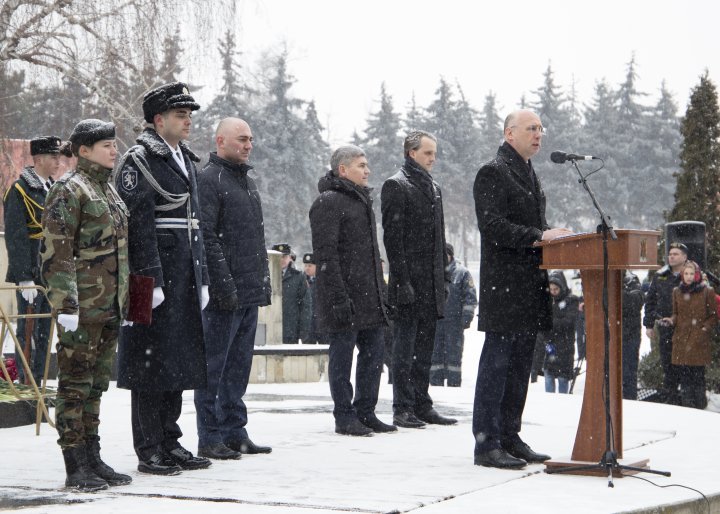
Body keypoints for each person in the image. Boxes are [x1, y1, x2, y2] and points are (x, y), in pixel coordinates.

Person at [116, 82, 211, 475]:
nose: (187, 121)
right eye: (179, 115)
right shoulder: (138, 160)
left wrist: (200, 274)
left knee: (178, 361)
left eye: (189, 115)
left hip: (183, 274)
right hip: (149, 278)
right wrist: (149, 281)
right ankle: (149, 447)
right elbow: (138, 226)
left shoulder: (184, 158)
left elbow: (195, 224)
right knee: (148, 364)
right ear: (158, 120)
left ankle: (170, 440)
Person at [472, 109, 572, 469]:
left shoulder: (530, 172)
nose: (538, 134)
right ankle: (486, 443)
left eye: (541, 128)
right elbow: (493, 226)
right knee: (497, 368)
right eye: (531, 128)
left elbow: (535, 227)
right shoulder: (492, 172)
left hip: (530, 286)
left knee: (519, 370)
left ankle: (510, 436)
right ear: (508, 133)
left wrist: (552, 236)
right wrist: (538, 236)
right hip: (505, 288)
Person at [40, 119, 131, 490]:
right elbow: (56, 253)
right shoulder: (68, 190)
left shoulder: (106, 191)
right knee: (74, 385)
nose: (114, 150)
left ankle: (93, 456)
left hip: (109, 305)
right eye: (106, 145)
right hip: (80, 308)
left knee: (95, 386)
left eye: (114, 144)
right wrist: (65, 304)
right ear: (83, 151)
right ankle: (74, 463)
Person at [194, 117, 272, 460]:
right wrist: (222, 283)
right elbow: (207, 237)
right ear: (221, 140)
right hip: (225, 294)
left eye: (251, 139)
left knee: (238, 366)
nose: (248, 144)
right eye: (242, 139)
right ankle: (209, 435)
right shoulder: (210, 180)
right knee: (214, 367)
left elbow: (252, 238)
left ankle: (234, 431)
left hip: (248, 290)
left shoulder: (246, 182)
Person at [309, 145, 394, 436]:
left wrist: (381, 294)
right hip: (344, 297)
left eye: (367, 164)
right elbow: (326, 256)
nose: (367, 170)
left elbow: (370, 255)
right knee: (342, 356)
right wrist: (338, 298)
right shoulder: (328, 202)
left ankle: (365, 411)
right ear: (342, 170)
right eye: (361, 165)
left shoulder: (362, 202)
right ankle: (344, 415)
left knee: (374, 353)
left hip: (369, 296)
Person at [381, 130, 456, 429]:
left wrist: (445, 279)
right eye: (427, 153)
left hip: (431, 282)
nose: (433, 158)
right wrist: (402, 280)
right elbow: (393, 239)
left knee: (425, 347)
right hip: (408, 282)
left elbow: (440, 239)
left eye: (434, 153)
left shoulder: (434, 187)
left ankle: (422, 403)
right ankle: (402, 406)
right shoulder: (396, 185)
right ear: (411, 153)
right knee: (404, 347)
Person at [4, 136, 60, 385]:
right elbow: (16, 236)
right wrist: (24, 276)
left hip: (50, 273)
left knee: (45, 331)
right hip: (32, 273)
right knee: (27, 331)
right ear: (38, 159)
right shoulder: (20, 190)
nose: (58, 161)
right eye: (53, 157)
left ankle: (40, 380)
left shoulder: (53, 188)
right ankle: (28, 383)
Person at [662, 261, 716, 409]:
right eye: (686, 274)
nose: (689, 277)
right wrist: (671, 320)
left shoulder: (706, 291)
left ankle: (699, 406)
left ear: (697, 275)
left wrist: (704, 328)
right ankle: (687, 407)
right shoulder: (677, 292)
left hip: (698, 340)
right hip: (681, 340)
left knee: (698, 376)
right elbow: (676, 314)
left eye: (692, 274)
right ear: (682, 275)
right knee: (684, 378)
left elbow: (713, 315)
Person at [643, 242, 688, 405]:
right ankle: (671, 398)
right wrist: (648, 325)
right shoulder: (661, 275)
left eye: (676, 254)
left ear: (684, 257)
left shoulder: (691, 274)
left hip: (685, 327)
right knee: (667, 363)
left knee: (685, 363)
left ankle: (686, 398)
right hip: (665, 325)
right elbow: (650, 300)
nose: (671, 256)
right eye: (670, 254)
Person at [429, 243, 477, 387]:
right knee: (435, 354)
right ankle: (435, 384)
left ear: (451, 255)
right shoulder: (434, 272)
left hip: (454, 323)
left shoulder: (462, 273)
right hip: (436, 322)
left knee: (454, 355)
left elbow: (470, 297)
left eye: (447, 254)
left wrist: (466, 317)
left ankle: (454, 385)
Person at [539, 271, 578, 394]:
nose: (553, 292)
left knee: (562, 378)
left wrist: (551, 322)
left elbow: (569, 322)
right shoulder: (547, 301)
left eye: (556, 289)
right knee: (548, 375)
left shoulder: (571, 300)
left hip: (565, 346)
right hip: (550, 345)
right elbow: (542, 323)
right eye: (551, 289)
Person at [273, 243, 309, 344]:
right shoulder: (267, 276)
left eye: (284, 256)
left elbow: (305, 305)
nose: (282, 259)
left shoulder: (298, 277)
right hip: (269, 328)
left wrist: (304, 329)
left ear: (290, 258)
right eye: (278, 257)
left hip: (290, 329)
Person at [621, 271, 645, 400]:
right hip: (610, 336)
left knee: (629, 374)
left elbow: (634, 303)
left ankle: (629, 402)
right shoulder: (604, 279)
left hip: (630, 336)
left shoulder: (632, 281)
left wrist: (616, 290)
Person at [301, 252, 325, 344]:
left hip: (322, 324)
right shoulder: (300, 281)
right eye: (306, 265)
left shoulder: (323, 281)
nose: (307, 268)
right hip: (307, 326)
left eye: (310, 265)